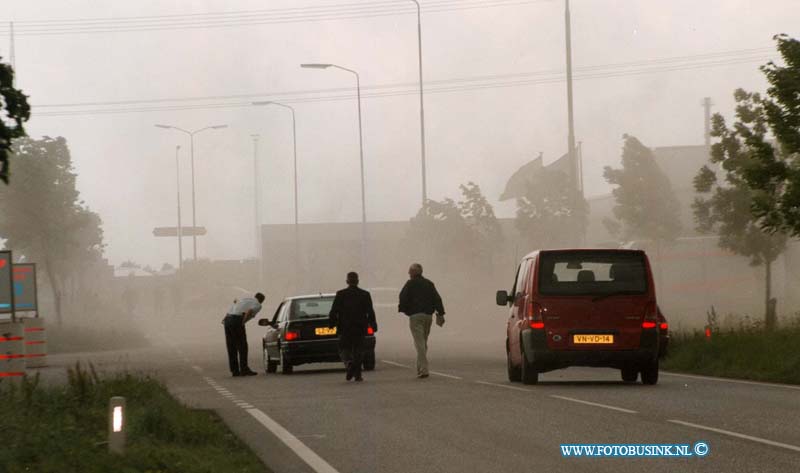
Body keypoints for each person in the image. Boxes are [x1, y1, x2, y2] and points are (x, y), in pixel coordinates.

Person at [329, 272, 378, 382]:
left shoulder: (341, 294)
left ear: (347, 281)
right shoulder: (365, 294)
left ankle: (349, 363)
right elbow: (370, 311)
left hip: (345, 327)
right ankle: (358, 374)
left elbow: (334, 311)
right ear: (358, 281)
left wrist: (332, 324)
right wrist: (373, 324)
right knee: (359, 350)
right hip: (360, 327)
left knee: (343, 348)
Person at [398, 263, 445, 378]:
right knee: (423, 342)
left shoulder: (410, 284)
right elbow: (437, 299)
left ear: (414, 272)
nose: (408, 273)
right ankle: (420, 368)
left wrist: (405, 311)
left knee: (420, 344)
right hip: (428, 316)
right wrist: (440, 313)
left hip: (415, 316)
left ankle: (424, 370)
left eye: (410, 271)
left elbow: (402, 297)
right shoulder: (429, 284)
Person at [223, 292, 265, 377]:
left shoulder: (243, 300)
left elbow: (232, 308)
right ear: (261, 300)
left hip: (228, 321)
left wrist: (224, 320)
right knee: (242, 346)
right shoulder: (258, 304)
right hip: (237, 321)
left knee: (231, 346)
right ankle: (244, 369)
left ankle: (235, 371)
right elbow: (249, 312)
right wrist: (243, 322)